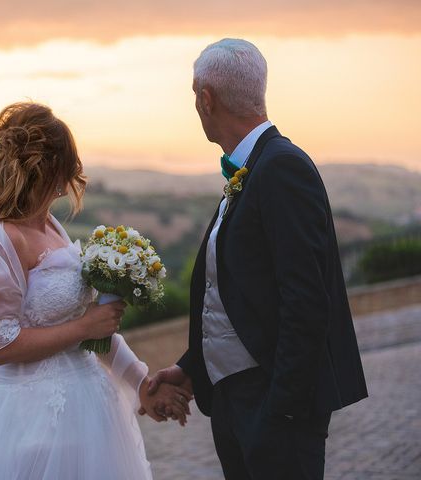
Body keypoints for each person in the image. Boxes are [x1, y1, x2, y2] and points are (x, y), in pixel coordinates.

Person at [146, 38, 368, 479]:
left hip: (273, 408)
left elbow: (306, 299)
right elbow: (242, 296)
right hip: (236, 402)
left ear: (206, 98)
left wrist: (281, 410)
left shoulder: (281, 167)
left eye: (195, 95)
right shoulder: (252, 169)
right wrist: (192, 367)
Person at [0, 102, 191, 480]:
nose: (73, 176)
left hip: (91, 412)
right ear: (44, 167)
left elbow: (97, 331)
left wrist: (142, 383)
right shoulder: (1, 240)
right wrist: (84, 328)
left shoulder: (53, 229)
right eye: (66, 164)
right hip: (34, 420)